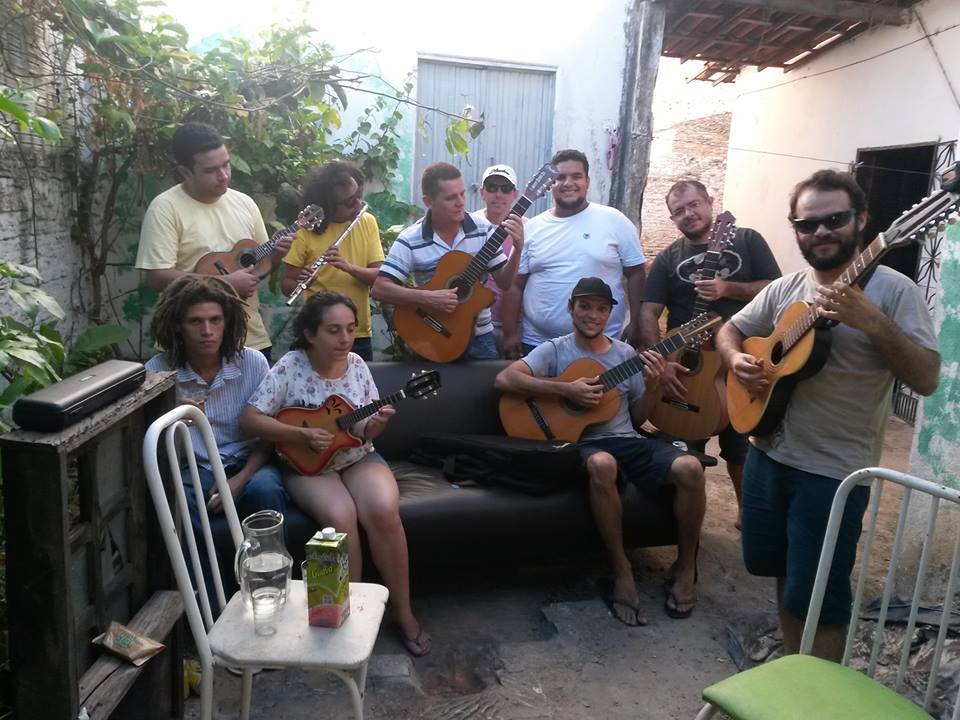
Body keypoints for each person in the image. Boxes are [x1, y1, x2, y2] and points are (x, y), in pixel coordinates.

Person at [715, 169, 940, 660]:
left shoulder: (895, 291)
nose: (820, 232)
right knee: (782, 575)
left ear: (861, 219)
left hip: (833, 474)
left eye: (834, 220)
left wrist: (873, 323)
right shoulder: (787, 287)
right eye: (806, 224)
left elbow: (926, 378)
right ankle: (792, 667)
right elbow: (730, 330)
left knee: (822, 599)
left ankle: (815, 689)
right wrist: (735, 360)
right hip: (766, 454)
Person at [495, 277, 706, 625]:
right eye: (585, 306)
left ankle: (686, 566)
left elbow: (637, 418)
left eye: (601, 308)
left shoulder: (626, 355)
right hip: (582, 445)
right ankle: (622, 570)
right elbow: (504, 379)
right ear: (571, 308)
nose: (592, 315)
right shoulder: (555, 350)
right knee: (602, 463)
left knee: (691, 468)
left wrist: (653, 387)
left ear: (610, 314)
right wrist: (566, 391)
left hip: (629, 441)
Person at [239, 291, 431, 656]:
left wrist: (376, 424)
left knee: (383, 510)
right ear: (311, 334)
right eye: (333, 330)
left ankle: (402, 610)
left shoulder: (357, 365)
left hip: (356, 457)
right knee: (341, 519)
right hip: (308, 466)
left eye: (350, 329)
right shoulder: (290, 366)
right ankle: (348, 614)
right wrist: (300, 435)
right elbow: (250, 419)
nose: (345, 339)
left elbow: (363, 433)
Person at [639, 179, 781, 527]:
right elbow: (648, 311)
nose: (688, 214)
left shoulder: (747, 240)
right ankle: (681, 524)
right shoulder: (668, 257)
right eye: (678, 211)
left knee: (741, 447)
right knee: (684, 447)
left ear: (709, 201)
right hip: (686, 366)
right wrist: (662, 362)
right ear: (672, 219)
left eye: (693, 205)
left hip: (740, 362)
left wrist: (727, 288)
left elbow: (775, 289)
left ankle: (750, 515)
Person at [145, 276, 288, 589]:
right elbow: (152, 445)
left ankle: (269, 588)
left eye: (215, 320)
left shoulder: (253, 362)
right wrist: (169, 412)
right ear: (178, 326)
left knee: (265, 491)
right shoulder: (158, 371)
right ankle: (211, 601)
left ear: (228, 322)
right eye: (195, 321)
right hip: (195, 468)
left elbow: (269, 436)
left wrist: (239, 480)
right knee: (179, 500)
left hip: (249, 462)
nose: (207, 331)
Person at [136, 122, 294, 361]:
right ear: (185, 172)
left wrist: (276, 256)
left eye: (226, 165)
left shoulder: (245, 203)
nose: (224, 176)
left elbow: (255, 269)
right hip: (190, 345)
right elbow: (157, 277)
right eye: (211, 170)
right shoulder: (165, 208)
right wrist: (223, 283)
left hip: (248, 340)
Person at [501, 149, 646, 359]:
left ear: (587, 181)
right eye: (560, 177)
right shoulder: (531, 228)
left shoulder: (615, 221)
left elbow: (636, 273)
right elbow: (515, 285)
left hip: (601, 344)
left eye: (576, 176)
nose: (568, 183)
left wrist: (637, 322)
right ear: (550, 183)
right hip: (538, 344)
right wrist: (510, 334)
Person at [372, 162, 525, 360]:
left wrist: (517, 249)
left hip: (480, 337)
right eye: (451, 198)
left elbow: (504, 283)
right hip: (431, 335)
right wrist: (428, 298)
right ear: (428, 201)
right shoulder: (410, 239)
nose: (460, 202)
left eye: (462, 194)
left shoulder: (483, 229)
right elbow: (380, 289)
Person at [281, 161, 384, 360]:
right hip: (320, 334)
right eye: (349, 202)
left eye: (358, 196)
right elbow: (286, 285)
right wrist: (302, 282)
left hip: (357, 333)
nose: (358, 205)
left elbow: (379, 277)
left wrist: (349, 268)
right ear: (327, 206)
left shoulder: (367, 222)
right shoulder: (306, 230)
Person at [473, 164, 524, 353]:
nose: (499, 194)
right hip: (474, 323)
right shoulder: (469, 226)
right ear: (482, 192)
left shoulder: (528, 229)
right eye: (492, 187)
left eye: (506, 188)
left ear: (515, 194)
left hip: (517, 326)